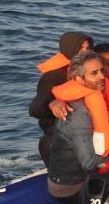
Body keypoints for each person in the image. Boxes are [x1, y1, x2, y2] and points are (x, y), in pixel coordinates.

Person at [46, 52, 109, 204]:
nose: (102, 76)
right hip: (70, 189)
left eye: (102, 71)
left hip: (77, 177)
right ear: (79, 80)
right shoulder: (78, 113)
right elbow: (88, 163)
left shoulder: (89, 100)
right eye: (94, 73)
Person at [29, 31, 92, 164]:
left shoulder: (91, 73)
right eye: (81, 48)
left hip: (81, 137)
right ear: (70, 49)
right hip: (56, 141)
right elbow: (35, 109)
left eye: (88, 48)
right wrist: (52, 103)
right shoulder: (53, 76)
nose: (85, 52)